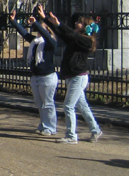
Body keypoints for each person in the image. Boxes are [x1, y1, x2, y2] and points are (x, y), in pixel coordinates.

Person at [44, 10, 103, 144]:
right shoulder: (76, 39)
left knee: (68, 106)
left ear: (86, 26)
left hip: (78, 76)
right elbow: (62, 34)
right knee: (82, 106)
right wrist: (47, 20)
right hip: (72, 76)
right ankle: (95, 130)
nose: (76, 24)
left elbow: (70, 34)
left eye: (79, 22)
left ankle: (71, 135)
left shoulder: (86, 41)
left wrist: (58, 23)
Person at [10, 5, 58, 136]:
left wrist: (36, 23)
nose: (38, 31)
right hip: (36, 76)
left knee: (48, 103)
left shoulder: (50, 43)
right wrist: (14, 21)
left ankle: (50, 127)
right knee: (39, 103)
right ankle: (43, 124)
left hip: (47, 76)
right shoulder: (35, 42)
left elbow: (48, 37)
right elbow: (24, 34)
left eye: (41, 29)